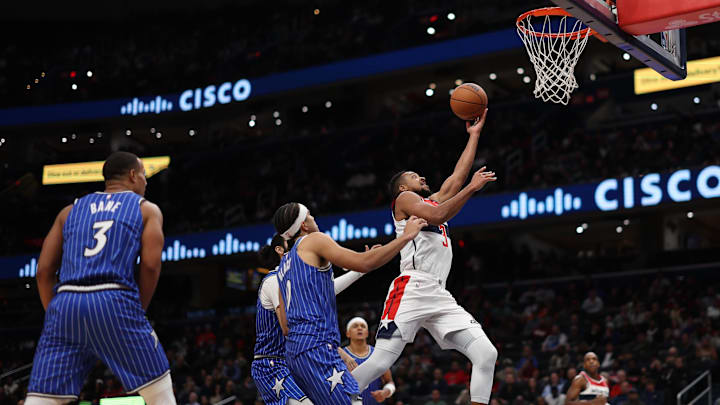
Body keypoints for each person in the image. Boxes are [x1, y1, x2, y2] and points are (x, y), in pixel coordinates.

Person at [352, 112, 499, 405]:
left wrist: (474, 135)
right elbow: (440, 213)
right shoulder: (405, 201)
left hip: (439, 292)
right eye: (412, 175)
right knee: (381, 362)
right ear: (402, 188)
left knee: (486, 354)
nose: (420, 176)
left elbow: (456, 178)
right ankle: (327, 398)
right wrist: (472, 188)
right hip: (411, 287)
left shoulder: (432, 200)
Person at [24, 151, 175, 405]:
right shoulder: (146, 210)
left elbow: (43, 272)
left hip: (66, 301)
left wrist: (57, 316)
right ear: (132, 175)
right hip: (113, 297)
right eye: (144, 176)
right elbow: (149, 266)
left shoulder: (69, 211)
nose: (146, 183)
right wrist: (139, 309)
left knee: (42, 399)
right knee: (160, 392)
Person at [273, 202, 426, 405]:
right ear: (303, 225)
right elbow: (364, 262)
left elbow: (284, 326)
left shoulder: (283, 265)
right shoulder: (314, 240)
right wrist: (406, 236)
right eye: (309, 215)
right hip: (318, 347)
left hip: (295, 353)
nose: (313, 218)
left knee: (351, 400)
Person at [251, 234, 369, 405]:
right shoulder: (274, 280)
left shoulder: (295, 278)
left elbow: (327, 290)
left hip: (298, 360)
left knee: (344, 399)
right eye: (292, 244)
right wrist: (338, 351)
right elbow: (288, 328)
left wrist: (359, 271)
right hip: (272, 363)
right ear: (279, 250)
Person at [342, 317, 396, 404]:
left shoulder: (378, 354)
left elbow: (389, 381)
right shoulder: (341, 355)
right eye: (355, 326)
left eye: (363, 326)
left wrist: (386, 392)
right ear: (348, 333)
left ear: (367, 333)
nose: (359, 328)